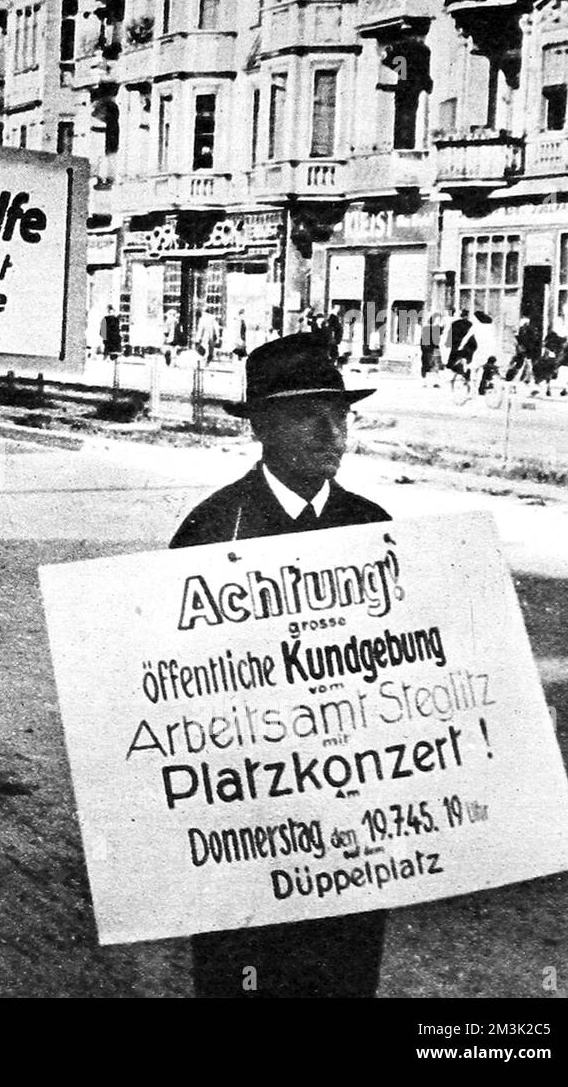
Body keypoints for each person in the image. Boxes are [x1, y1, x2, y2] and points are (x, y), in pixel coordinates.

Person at [170, 333, 389, 997]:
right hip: (250, 824)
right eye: (307, 415)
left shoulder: (373, 527)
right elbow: (174, 690)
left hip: (349, 829)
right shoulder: (212, 529)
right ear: (262, 426)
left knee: (342, 979)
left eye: (341, 413)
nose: (332, 432)